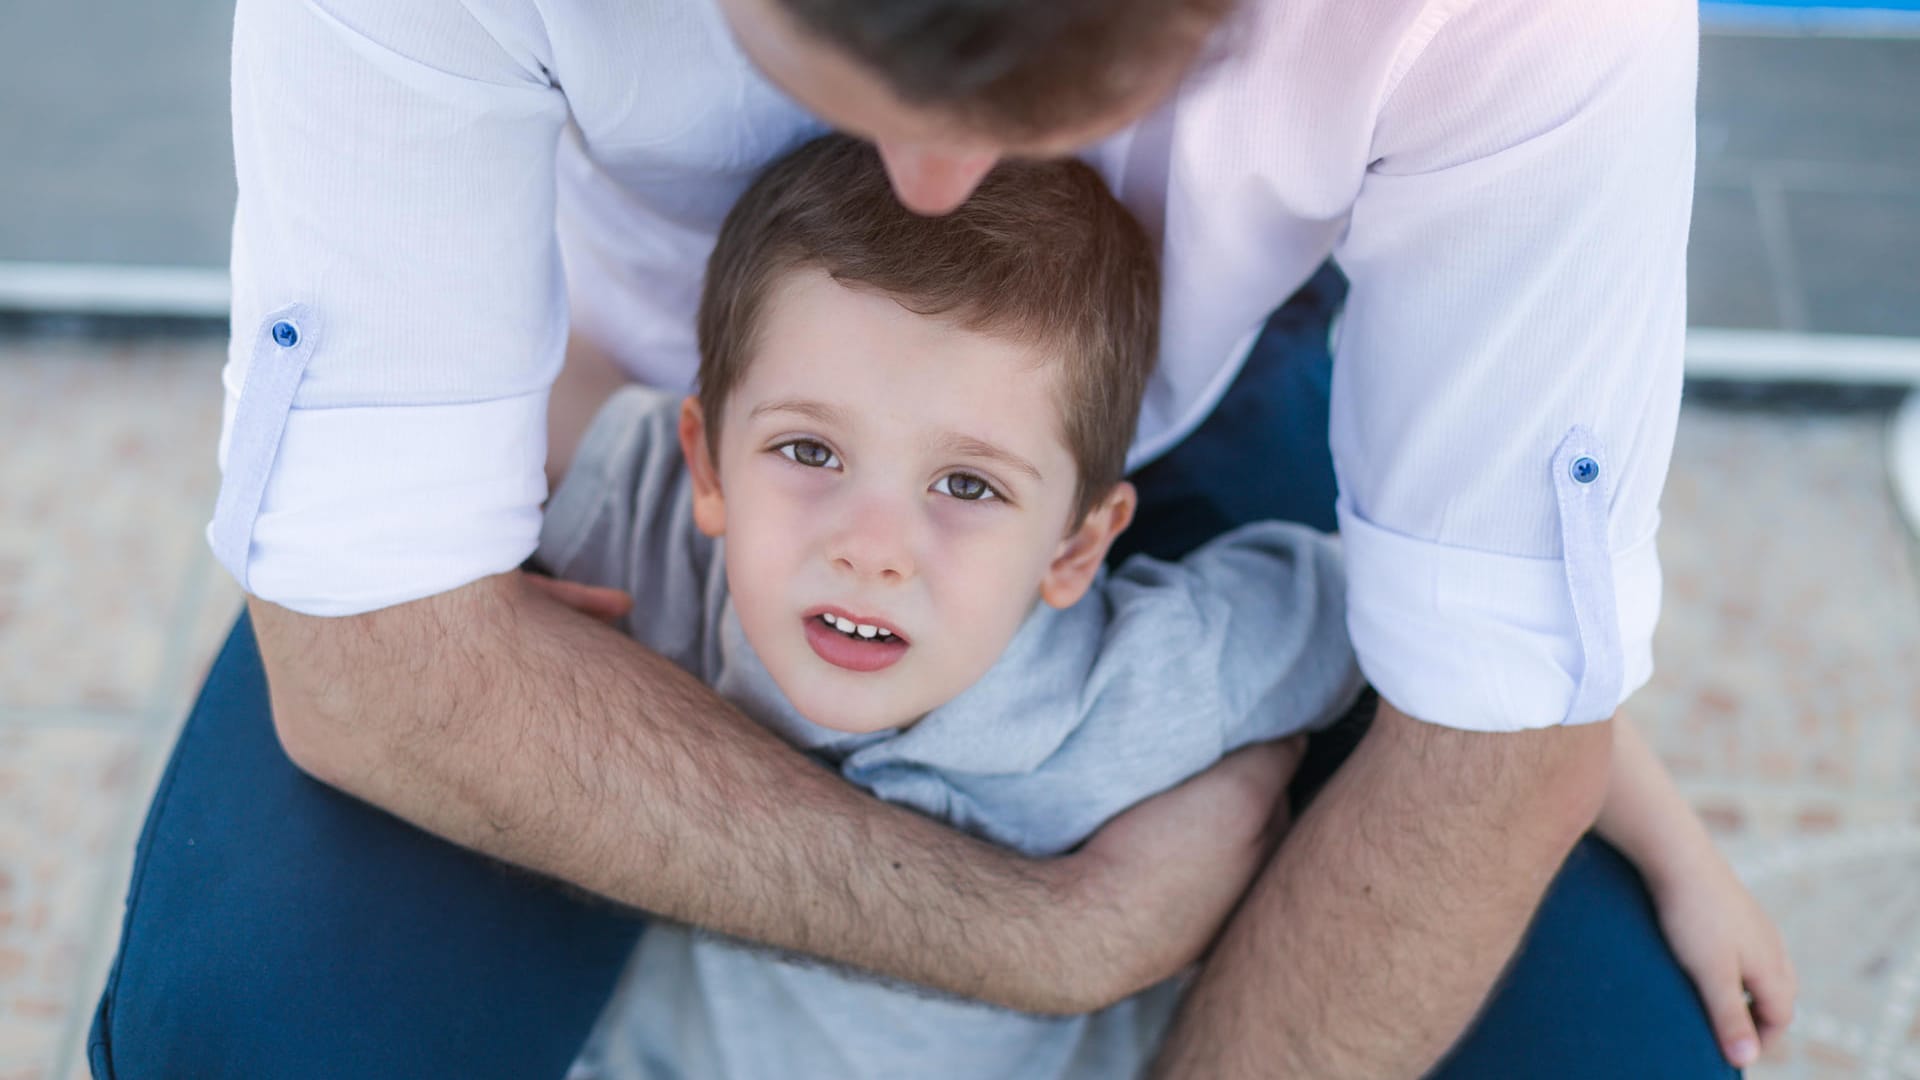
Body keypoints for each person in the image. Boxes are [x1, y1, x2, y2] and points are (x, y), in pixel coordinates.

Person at [90, 0, 1773, 1077]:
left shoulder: (1545, 30)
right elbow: (381, 646)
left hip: (1189, 404)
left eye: (1053, 99)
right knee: (249, 1039)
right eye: (848, 71)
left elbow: (1491, 702)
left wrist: (1621, 786)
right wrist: (1061, 936)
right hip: (668, 374)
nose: (934, 177)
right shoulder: (650, 513)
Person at [547, 134, 1792, 1079]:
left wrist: (1683, 858)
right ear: (708, 462)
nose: (873, 550)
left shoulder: (1146, 679)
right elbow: (472, 443)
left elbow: (1480, 660)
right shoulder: (665, 527)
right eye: (810, 453)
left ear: (1078, 546)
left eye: (968, 486)